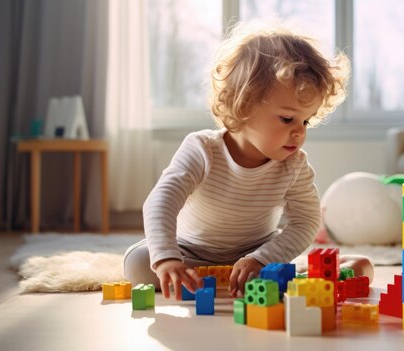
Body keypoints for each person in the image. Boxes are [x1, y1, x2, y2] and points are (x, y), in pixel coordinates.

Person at [123, 22, 373, 301]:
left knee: (359, 267)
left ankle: (246, 274)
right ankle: (202, 274)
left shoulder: (294, 165)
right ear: (243, 105)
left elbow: (306, 221)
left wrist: (263, 258)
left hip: (256, 255)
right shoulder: (203, 148)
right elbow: (162, 200)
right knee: (139, 264)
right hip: (190, 251)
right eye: (288, 118)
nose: (300, 131)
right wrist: (167, 259)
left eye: (306, 120)